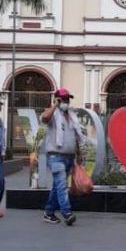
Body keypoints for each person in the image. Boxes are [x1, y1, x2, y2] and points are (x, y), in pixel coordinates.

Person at [41, 87, 86, 225]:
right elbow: (44, 118)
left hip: (69, 157)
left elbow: (75, 136)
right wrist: (55, 104)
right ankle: (67, 213)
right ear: (57, 99)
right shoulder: (53, 114)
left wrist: (78, 153)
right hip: (55, 156)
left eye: (67, 99)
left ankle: (48, 212)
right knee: (61, 186)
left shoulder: (72, 116)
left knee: (57, 186)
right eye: (63, 99)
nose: (66, 102)